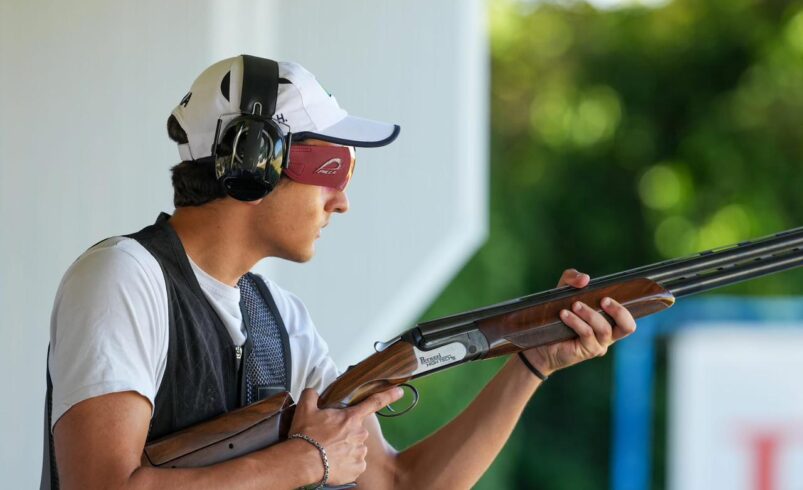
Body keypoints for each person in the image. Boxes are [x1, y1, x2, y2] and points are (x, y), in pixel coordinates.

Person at [42, 55, 637, 489]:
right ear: (254, 161)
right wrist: (304, 461)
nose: (341, 199)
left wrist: (531, 363)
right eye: (333, 165)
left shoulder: (280, 318)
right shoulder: (125, 278)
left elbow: (401, 484)